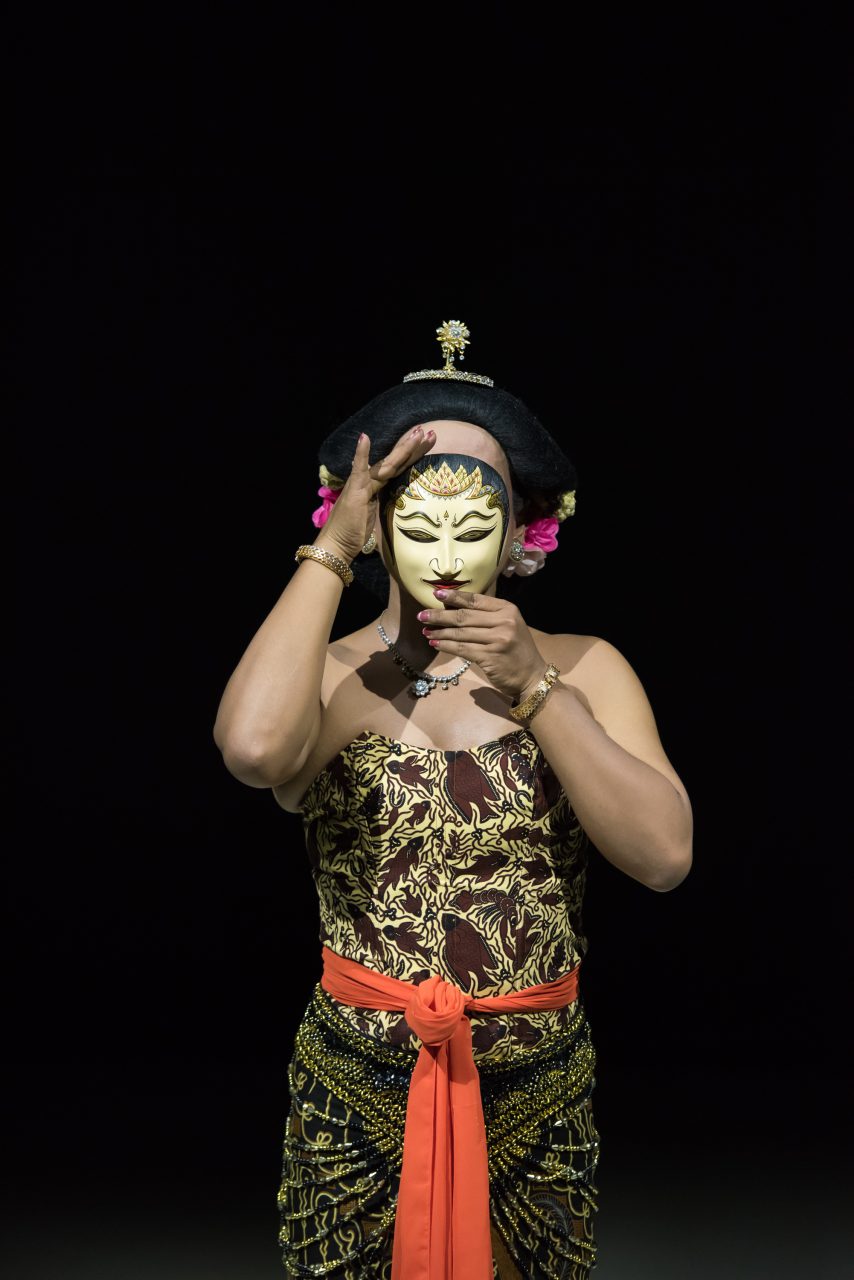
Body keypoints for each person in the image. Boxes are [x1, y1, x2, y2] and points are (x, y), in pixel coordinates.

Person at [213, 320, 693, 1279]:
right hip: (356, 1092)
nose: (444, 553)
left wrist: (535, 689)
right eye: (416, 521)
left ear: (521, 534)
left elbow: (663, 855)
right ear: (381, 524)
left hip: (532, 1095)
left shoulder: (586, 668)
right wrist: (330, 551)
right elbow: (255, 747)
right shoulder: (337, 674)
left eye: (475, 526)